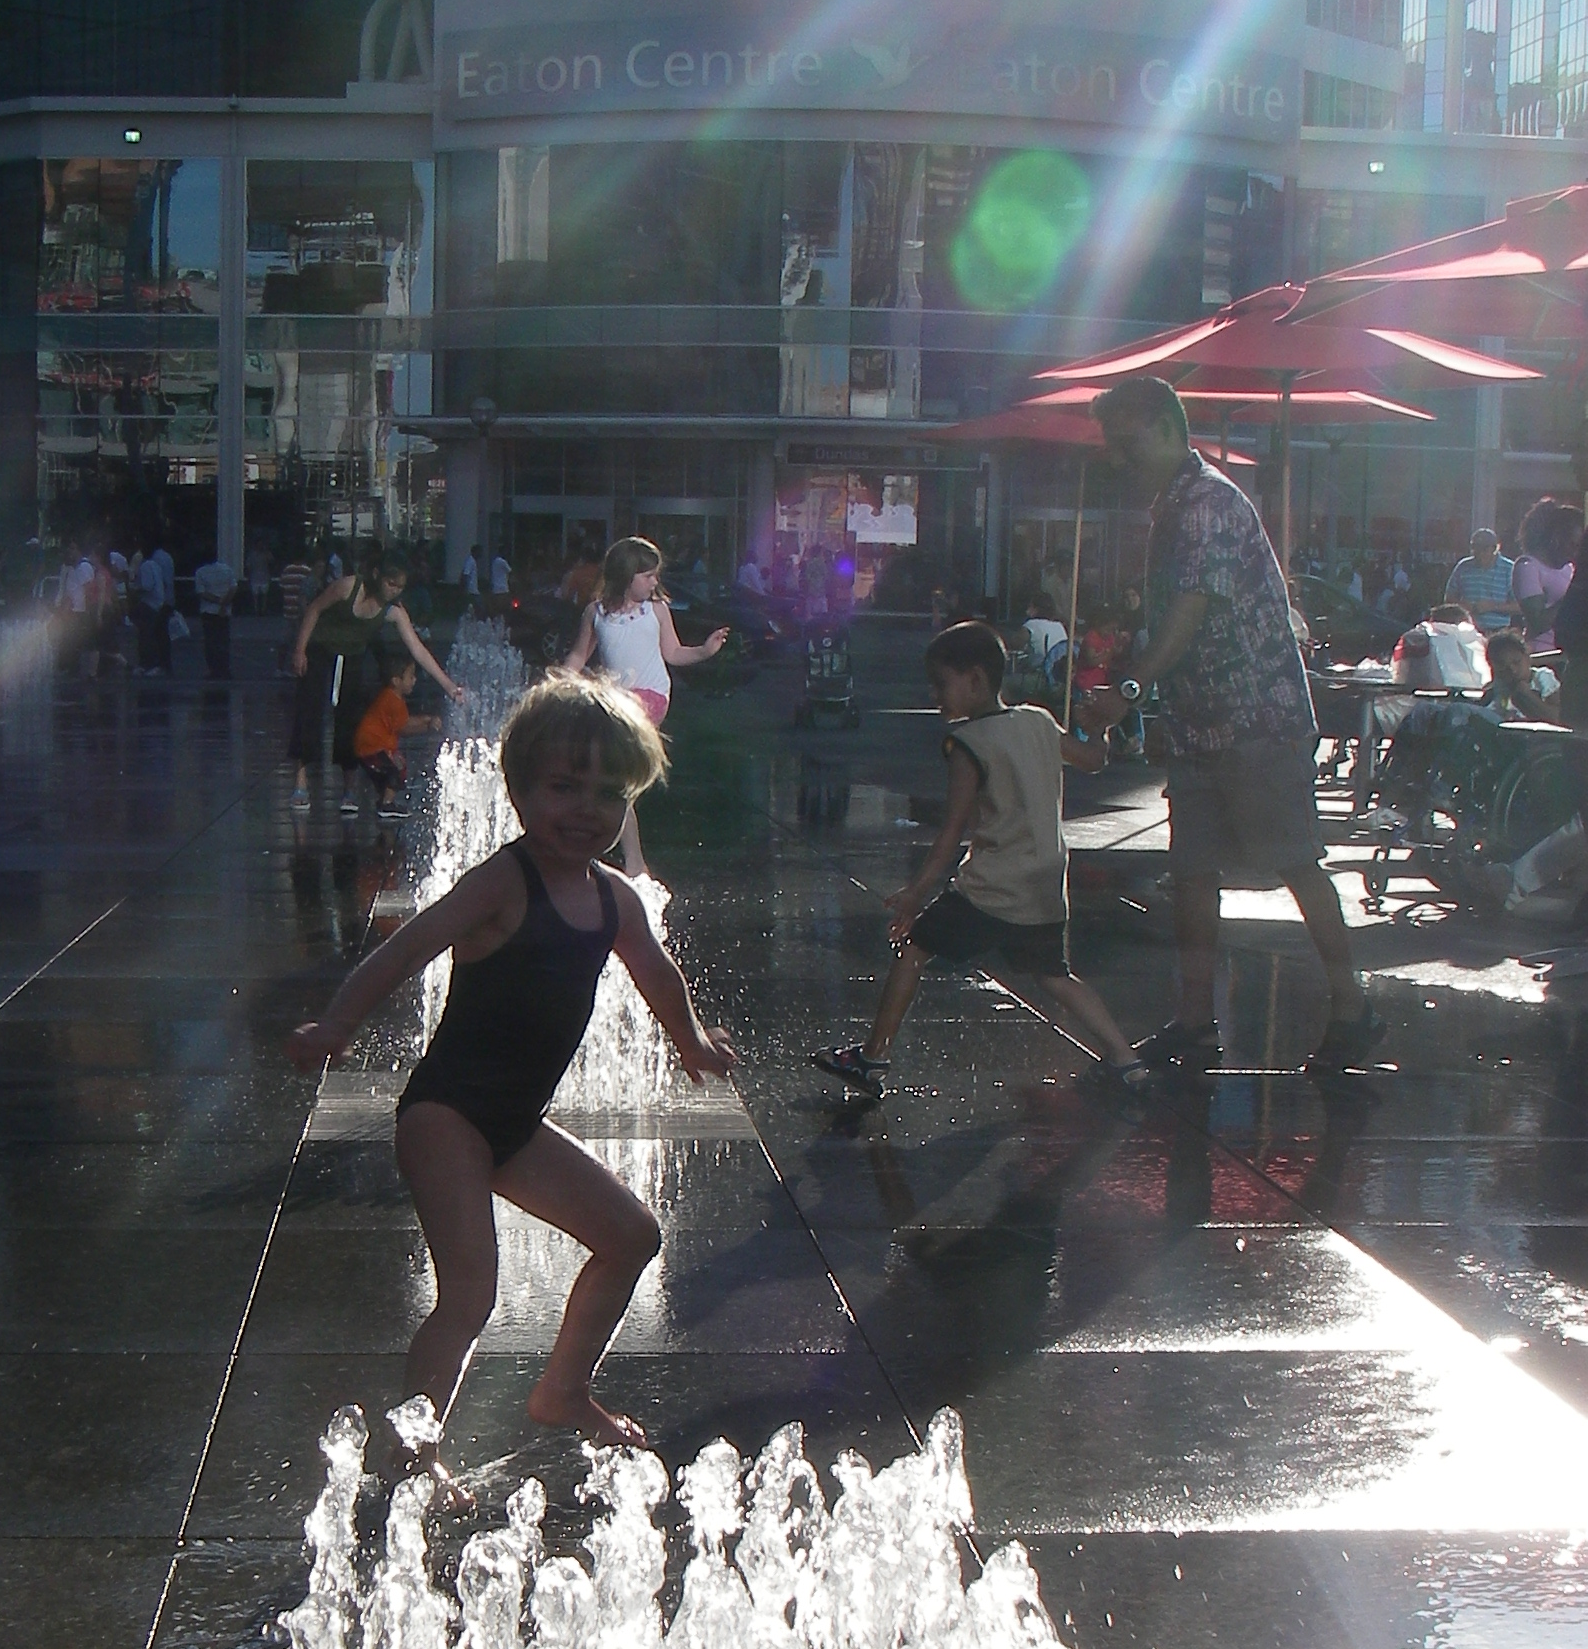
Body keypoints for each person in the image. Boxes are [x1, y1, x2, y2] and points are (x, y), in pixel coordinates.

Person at [286, 673, 737, 1475]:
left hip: (516, 1125)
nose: (586, 810)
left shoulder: (615, 899)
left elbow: (657, 975)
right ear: (520, 790)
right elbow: (407, 948)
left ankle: (563, 1391)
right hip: (447, 1115)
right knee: (470, 1294)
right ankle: (411, 1454)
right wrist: (338, 1024)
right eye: (564, 787)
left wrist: (690, 1039)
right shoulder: (504, 882)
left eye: (608, 793)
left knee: (631, 1235)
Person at [1089, 376, 1380, 1076]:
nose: (1119, 461)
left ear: (1167, 428)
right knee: (1192, 872)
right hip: (1203, 724)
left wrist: (1129, 689)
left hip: (1256, 721)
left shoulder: (1207, 504)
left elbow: (1190, 612)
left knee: (1294, 860)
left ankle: (1352, 1005)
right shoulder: (1176, 503)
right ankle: (1194, 1021)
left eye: (1126, 445)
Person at [813, 623, 1148, 1101]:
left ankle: (873, 1057)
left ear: (974, 680)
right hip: (1045, 882)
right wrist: (1099, 726)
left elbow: (952, 831)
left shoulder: (969, 742)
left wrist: (916, 893)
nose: (935, 695)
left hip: (993, 885)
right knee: (1054, 975)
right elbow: (1093, 759)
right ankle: (1126, 1059)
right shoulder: (1037, 720)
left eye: (941, 684)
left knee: (914, 947)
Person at [562, 536, 728, 875]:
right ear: (626, 575)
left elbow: (673, 653)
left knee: (614, 773)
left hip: (651, 697)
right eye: (648, 576)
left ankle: (632, 862)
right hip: (617, 700)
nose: (655, 582)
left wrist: (704, 651)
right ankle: (625, 858)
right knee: (613, 779)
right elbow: (579, 655)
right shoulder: (597, 613)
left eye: (655, 575)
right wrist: (557, 683)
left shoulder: (656, 610)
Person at [288, 549, 466, 816]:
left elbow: (417, 649)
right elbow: (314, 609)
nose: (394, 591)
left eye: (400, 587)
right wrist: (300, 650)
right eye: (391, 583)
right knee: (309, 715)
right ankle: (300, 782)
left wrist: (449, 686)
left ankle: (349, 789)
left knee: (349, 720)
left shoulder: (394, 611)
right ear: (376, 575)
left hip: (352, 657)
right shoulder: (348, 587)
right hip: (319, 651)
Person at [350, 653, 438, 819]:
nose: (414, 680)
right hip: (373, 746)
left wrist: (426, 720)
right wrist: (427, 726)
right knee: (396, 768)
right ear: (396, 681)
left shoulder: (390, 697)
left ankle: (383, 800)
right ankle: (387, 804)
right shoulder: (393, 701)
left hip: (369, 745)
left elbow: (404, 721)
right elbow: (403, 728)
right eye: (410, 677)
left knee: (390, 768)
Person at [1512, 499, 1581, 656]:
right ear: (1556, 539)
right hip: (1543, 653)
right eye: (1573, 544)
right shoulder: (1528, 567)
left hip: (1568, 651)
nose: (1576, 552)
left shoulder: (1569, 568)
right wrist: (1575, 594)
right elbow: (1538, 623)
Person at [1444, 526, 1516, 632]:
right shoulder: (1463, 567)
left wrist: (1492, 606)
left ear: (1495, 548)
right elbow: (1449, 598)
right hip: (1467, 630)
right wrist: (1463, 607)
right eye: (1475, 548)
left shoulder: (1509, 569)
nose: (1480, 553)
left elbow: (1520, 606)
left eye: (1484, 549)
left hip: (1498, 630)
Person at [192, 554, 237, 680]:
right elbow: (233, 588)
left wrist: (218, 600)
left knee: (210, 642)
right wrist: (225, 603)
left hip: (208, 611)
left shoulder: (201, 572)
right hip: (225, 612)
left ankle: (214, 670)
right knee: (223, 641)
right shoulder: (227, 569)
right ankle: (225, 669)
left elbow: (202, 592)